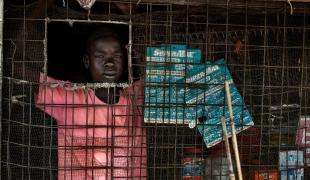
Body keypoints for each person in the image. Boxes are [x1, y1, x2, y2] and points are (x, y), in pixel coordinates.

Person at [35, 28, 147, 179]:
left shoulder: (134, 99)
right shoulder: (71, 100)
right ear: (87, 61)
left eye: (117, 56)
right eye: (100, 56)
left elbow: (162, 72)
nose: (109, 63)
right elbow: (22, 73)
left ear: (125, 61)